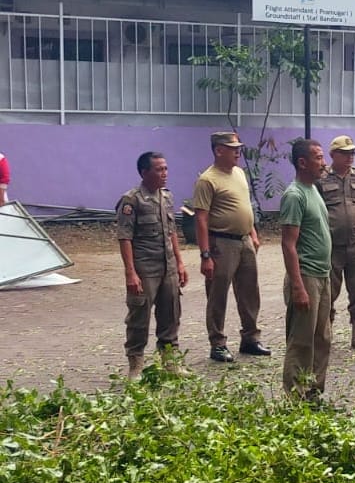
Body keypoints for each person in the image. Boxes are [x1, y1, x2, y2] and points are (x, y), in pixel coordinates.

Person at [192, 131, 270, 362]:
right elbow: (201, 219)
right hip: (221, 243)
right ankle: (217, 343)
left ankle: (250, 338)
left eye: (238, 147)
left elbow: (245, 206)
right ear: (219, 150)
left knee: (249, 291)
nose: (238, 152)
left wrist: (253, 233)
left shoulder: (238, 173)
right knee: (218, 294)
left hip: (244, 240)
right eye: (233, 148)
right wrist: (205, 255)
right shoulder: (208, 180)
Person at [116, 152, 188, 378]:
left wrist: (180, 262)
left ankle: (170, 363)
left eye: (165, 168)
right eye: (159, 169)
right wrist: (130, 273)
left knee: (171, 314)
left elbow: (172, 231)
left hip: (168, 266)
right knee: (139, 316)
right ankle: (135, 365)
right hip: (145, 267)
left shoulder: (166, 197)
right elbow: (124, 237)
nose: (164, 173)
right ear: (144, 172)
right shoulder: (132, 200)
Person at [278, 139, 334, 398]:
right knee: (302, 340)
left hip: (323, 276)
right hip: (307, 277)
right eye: (319, 158)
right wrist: (298, 286)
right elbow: (289, 245)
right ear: (303, 162)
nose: (324, 163)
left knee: (322, 337)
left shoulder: (314, 190)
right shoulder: (295, 195)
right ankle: (295, 395)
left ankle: (313, 391)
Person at [316, 135, 355, 351]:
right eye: (346, 153)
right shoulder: (321, 179)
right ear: (333, 155)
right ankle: (326, 332)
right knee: (328, 291)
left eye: (353, 153)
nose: (351, 157)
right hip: (330, 246)